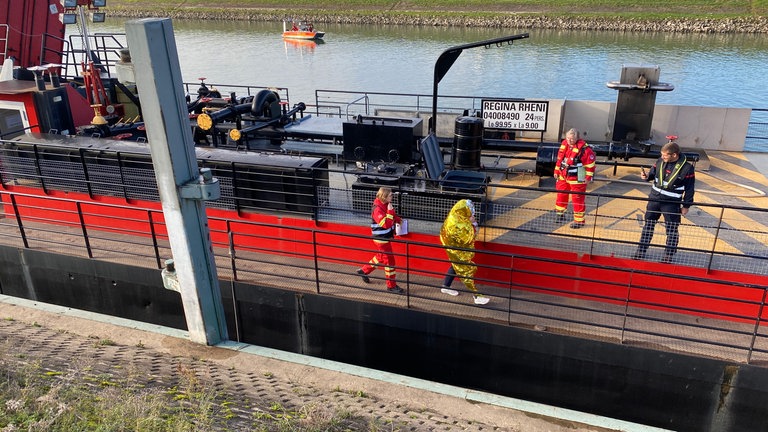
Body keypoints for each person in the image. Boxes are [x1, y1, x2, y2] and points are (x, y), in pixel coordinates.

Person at [634, 139, 695, 263]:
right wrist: (646, 177)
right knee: (648, 226)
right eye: (662, 155)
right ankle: (641, 251)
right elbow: (652, 174)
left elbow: (690, 188)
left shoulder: (687, 168)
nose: (662, 157)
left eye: (665, 155)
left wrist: (686, 205)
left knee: (672, 229)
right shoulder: (660, 161)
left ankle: (668, 254)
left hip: (671, 204)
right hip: (654, 200)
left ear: (674, 155)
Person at [438, 199, 489, 305]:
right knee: (464, 268)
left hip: (452, 245)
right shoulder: (460, 222)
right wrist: (473, 224)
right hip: (456, 247)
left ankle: (446, 286)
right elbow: (468, 238)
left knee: (456, 265)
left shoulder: (456, 216)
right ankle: (476, 296)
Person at [356, 187, 404, 294]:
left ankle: (363, 271)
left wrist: (398, 220)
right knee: (390, 262)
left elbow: (392, 216)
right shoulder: (377, 209)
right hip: (381, 239)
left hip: (383, 238)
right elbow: (386, 224)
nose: (392, 196)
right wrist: (391, 211)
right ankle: (391, 286)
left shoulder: (385, 204)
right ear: (384, 197)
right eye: (390, 195)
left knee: (381, 257)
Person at [553, 128, 596, 229]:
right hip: (563, 174)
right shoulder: (564, 144)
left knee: (577, 198)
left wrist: (588, 177)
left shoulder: (585, 150)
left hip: (579, 175)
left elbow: (590, 164)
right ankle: (560, 214)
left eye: (572, 139)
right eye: (568, 138)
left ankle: (579, 221)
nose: (569, 141)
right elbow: (559, 160)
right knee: (561, 194)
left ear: (577, 138)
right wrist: (556, 171)